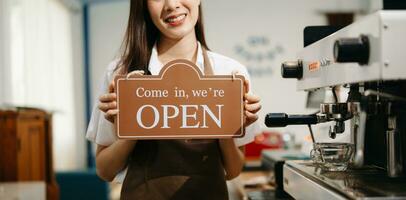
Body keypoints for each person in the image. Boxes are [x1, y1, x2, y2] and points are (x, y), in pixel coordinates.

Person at [86, 0, 262, 199]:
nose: (171, 4)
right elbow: (104, 170)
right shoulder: (121, 74)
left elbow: (233, 170)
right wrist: (132, 127)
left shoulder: (230, 74)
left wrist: (226, 126)